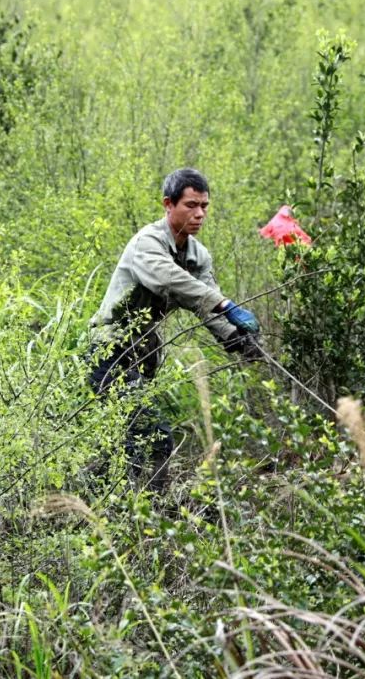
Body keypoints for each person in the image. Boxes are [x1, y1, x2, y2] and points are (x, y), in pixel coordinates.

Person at [87, 168, 262, 491]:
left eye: (204, 206)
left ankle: (106, 500)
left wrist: (237, 338)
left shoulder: (198, 255)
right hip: (109, 352)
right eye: (191, 205)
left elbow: (205, 304)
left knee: (126, 440)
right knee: (153, 435)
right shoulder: (147, 243)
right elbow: (171, 280)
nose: (199, 214)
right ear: (168, 204)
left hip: (142, 355)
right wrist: (226, 305)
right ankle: (149, 510)